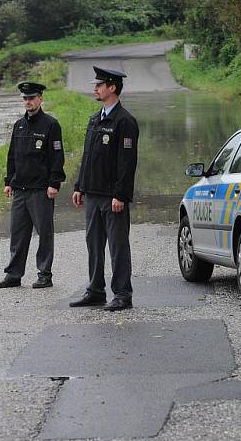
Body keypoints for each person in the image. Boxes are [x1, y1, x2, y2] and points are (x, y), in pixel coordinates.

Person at [70, 66, 139, 311]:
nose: (95, 89)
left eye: (99, 85)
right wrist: (79, 186)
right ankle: (95, 290)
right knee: (94, 245)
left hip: (112, 198)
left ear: (112, 87)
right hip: (92, 194)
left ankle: (122, 294)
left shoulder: (125, 121)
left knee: (118, 246)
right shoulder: (95, 119)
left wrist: (120, 194)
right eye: (95, 85)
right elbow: (88, 157)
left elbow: (127, 163)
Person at [0, 82, 65, 289]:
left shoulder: (51, 125)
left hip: (40, 191)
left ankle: (44, 274)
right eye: (25, 98)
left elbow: (57, 157)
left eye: (32, 98)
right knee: (18, 234)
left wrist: (54, 183)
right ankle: (14, 275)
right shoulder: (19, 125)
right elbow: (12, 156)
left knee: (44, 233)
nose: (28, 102)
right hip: (20, 190)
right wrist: (9, 181)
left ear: (41, 98)